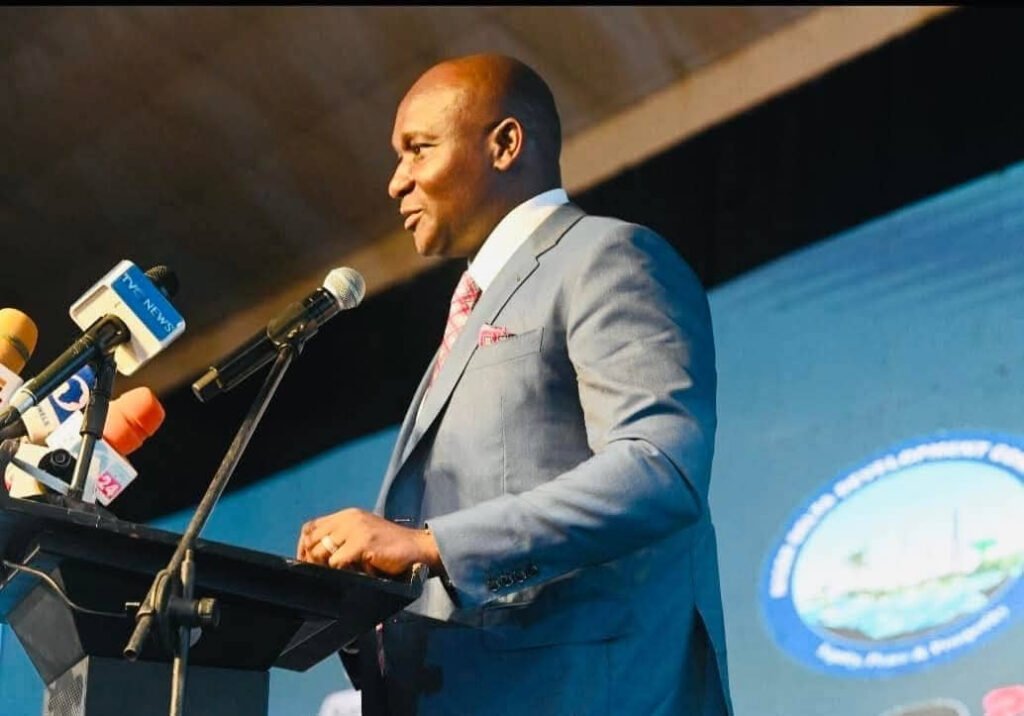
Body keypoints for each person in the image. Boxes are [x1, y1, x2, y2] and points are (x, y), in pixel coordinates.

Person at [297, 54, 731, 715]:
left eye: (418, 149)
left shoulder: (606, 257)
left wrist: (429, 544)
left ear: (504, 144)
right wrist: (367, 592)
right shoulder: (475, 307)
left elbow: (659, 468)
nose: (396, 182)